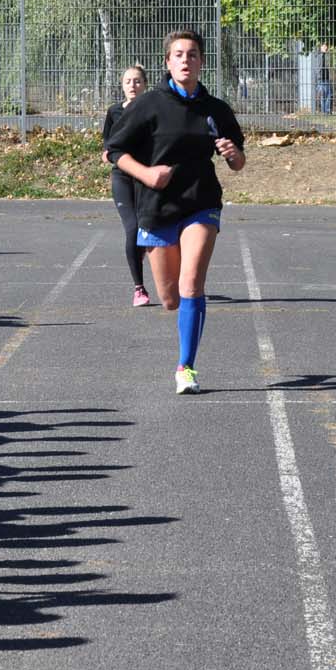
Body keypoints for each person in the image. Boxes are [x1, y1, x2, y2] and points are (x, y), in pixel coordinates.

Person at [105, 29, 246, 395]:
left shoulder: (215, 109)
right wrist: (147, 174)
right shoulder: (148, 104)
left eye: (193, 54)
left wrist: (234, 155)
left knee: (192, 284)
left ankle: (186, 367)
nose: (186, 60)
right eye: (179, 54)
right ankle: (182, 325)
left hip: (201, 203)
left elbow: (238, 162)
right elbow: (115, 152)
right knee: (170, 298)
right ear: (168, 62)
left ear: (201, 62)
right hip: (155, 208)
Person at [102, 64, 152, 307]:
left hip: (147, 178)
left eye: (137, 81)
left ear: (145, 85)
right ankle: (139, 289)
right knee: (132, 229)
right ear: (122, 86)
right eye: (128, 81)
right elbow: (107, 145)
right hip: (122, 177)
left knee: (147, 229)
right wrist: (108, 153)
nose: (132, 85)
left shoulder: (154, 110)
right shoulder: (114, 112)